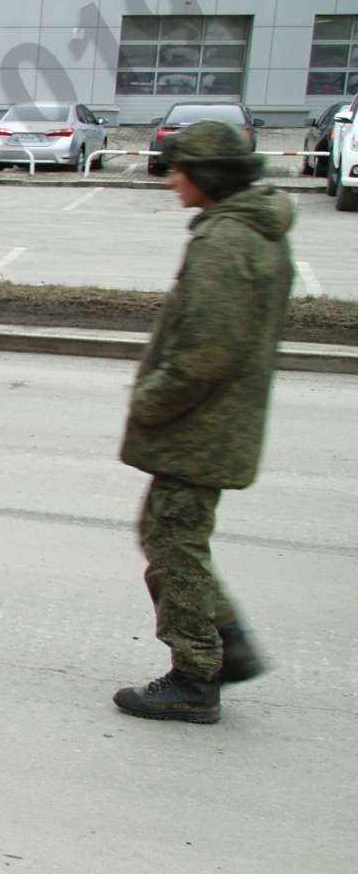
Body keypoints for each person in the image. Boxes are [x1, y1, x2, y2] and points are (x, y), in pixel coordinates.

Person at [113, 120, 292, 724]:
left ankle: (195, 675)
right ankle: (228, 647)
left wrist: (150, 400)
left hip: (200, 426)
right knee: (172, 536)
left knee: (172, 544)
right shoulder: (250, 231)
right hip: (218, 423)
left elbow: (206, 353)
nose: (173, 181)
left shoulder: (226, 241)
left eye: (181, 169)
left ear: (208, 176)